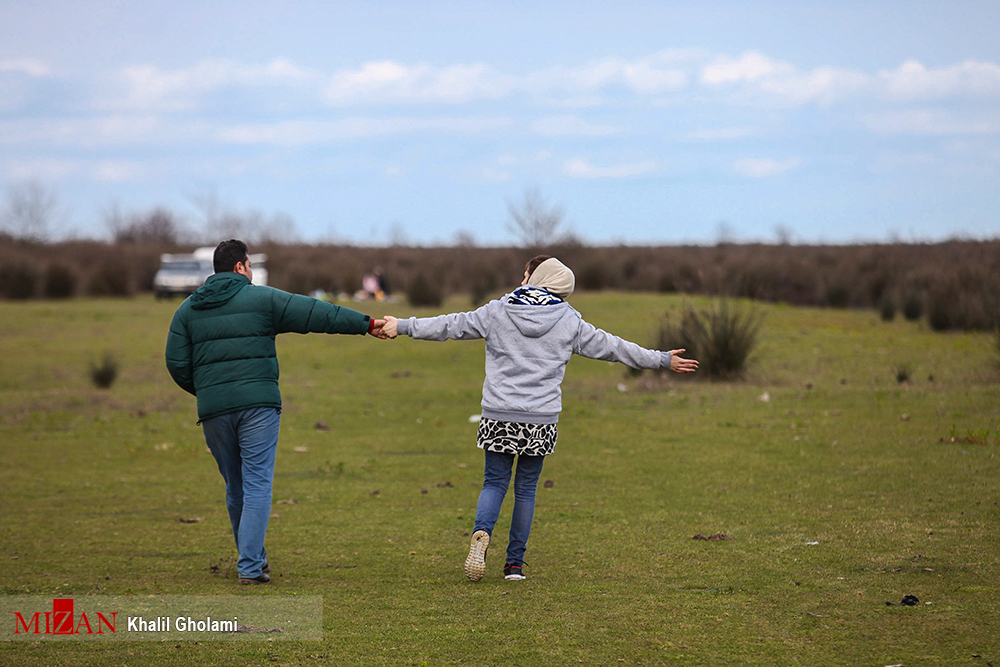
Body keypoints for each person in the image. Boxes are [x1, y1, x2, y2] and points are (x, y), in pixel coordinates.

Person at [381, 256, 697, 581]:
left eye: (526, 273)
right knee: (526, 489)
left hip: (498, 414)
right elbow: (614, 347)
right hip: (540, 420)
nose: (522, 278)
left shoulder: (497, 311)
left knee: (494, 482)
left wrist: (402, 325)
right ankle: (514, 565)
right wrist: (661, 359)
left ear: (538, 277)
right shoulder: (570, 322)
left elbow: (449, 325)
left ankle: (482, 533)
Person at [165, 239, 386, 585]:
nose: (251, 272)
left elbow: (176, 363)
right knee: (256, 485)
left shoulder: (187, 310)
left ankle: (254, 558)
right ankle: (251, 568)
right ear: (240, 267)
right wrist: (366, 323)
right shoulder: (263, 299)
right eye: (249, 266)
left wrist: (208, 390)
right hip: (258, 407)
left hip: (214, 410)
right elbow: (318, 313)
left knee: (235, 486)